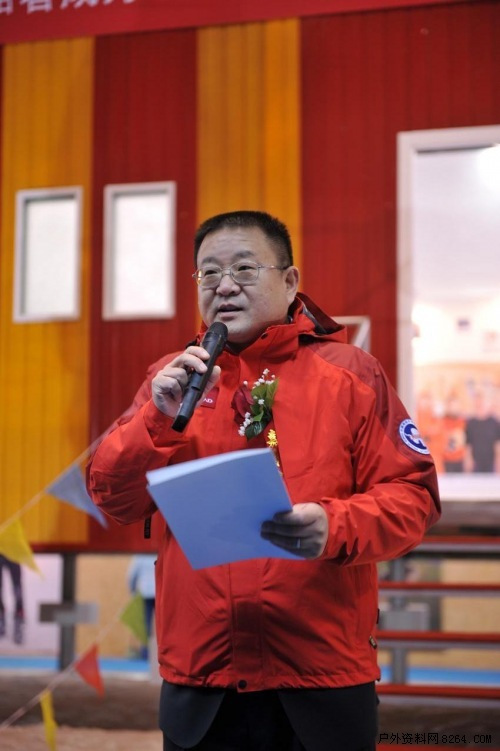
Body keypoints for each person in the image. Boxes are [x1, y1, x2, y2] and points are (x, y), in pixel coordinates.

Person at [88, 210, 441, 751]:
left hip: (322, 677)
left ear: (290, 281)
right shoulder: (171, 381)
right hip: (201, 677)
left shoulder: (351, 375)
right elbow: (113, 496)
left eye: (245, 269)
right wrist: (155, 419)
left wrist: (335, 525)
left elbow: (414, 497)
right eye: (209, 273)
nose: (225, 285)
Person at [127, 554, 157, 659]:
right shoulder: (160, 552)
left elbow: (132, 575)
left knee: (146, 625)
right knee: (161, 626)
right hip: (159, 593)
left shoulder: (140, 555)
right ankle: (161, 653)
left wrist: (132, 590)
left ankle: (145, 653)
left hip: (146, 592)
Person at [0, 555, 25, 645]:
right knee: (17, 588)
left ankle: (18, 619)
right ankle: (2, 616)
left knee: (17, 588)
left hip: (13, 553)